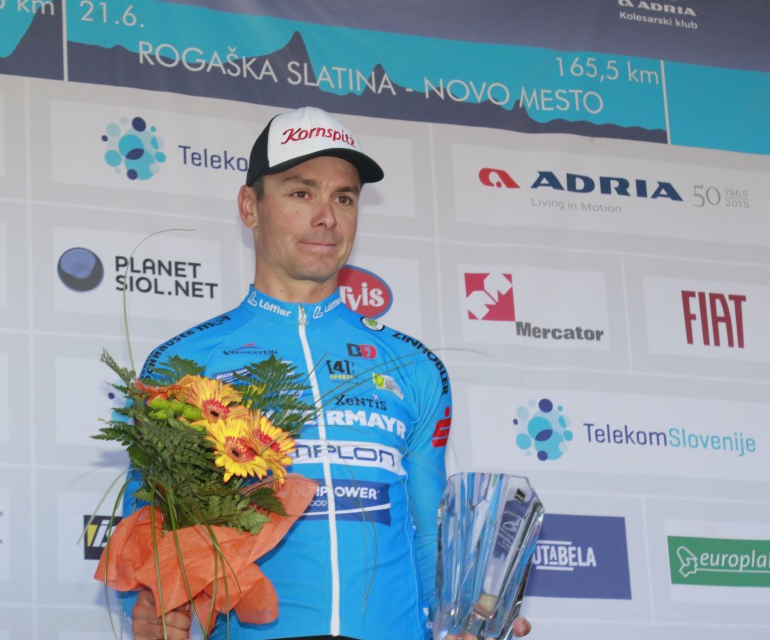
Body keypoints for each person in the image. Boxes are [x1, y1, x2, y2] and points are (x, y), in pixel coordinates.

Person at [124, 107, 531, 640]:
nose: (327, 217)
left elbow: (432, 535)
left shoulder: (412, 364)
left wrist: (463, 618)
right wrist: (151, 603)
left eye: (344, 197)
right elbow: (145, 531)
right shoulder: (185, 364)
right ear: (250, 206)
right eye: (301, 193)